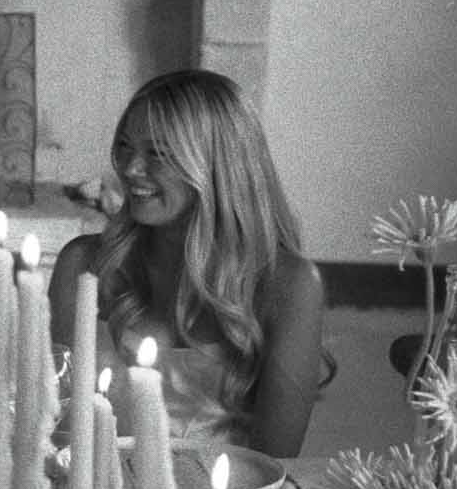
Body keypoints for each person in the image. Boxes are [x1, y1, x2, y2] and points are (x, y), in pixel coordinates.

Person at [46, 70, 324, 458]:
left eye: (157, 153)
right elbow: (59, 431)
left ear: (216, 165)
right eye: (125, 146)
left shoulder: (289, 285)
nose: (130, 168)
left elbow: (275, 464)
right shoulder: (82, 265)